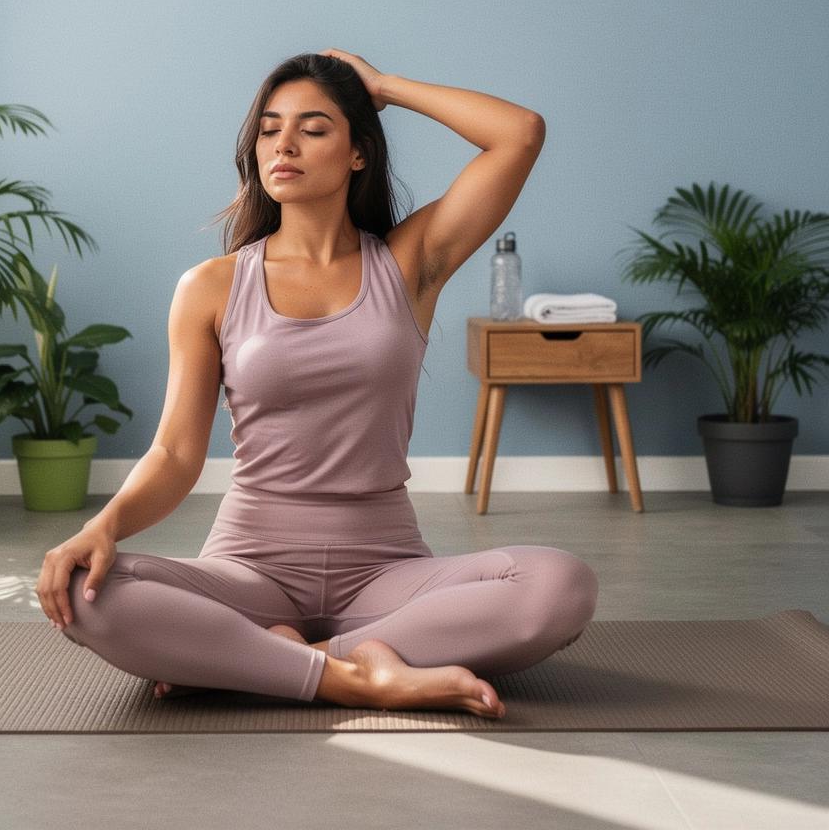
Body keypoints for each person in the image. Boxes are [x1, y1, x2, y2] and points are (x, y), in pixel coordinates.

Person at [36, 49, 598, 719]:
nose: (285, 143)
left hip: (386, 572)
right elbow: (176, 455)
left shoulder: (408, 262)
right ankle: (359, 675)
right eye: (270, 128)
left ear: (359, 151)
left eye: (314, 127)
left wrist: (383, 87)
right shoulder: (210, 288)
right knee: (81, 586)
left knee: (558, 586)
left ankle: (263, 660)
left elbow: (520, 133)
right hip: (249, 570)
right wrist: (102, 527)